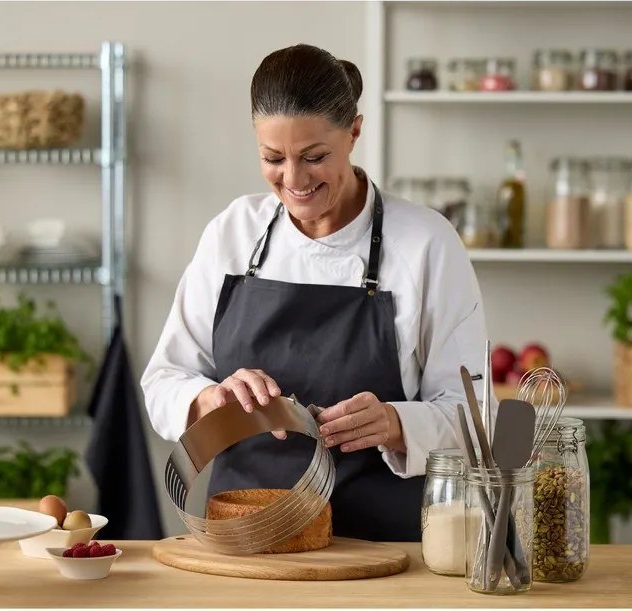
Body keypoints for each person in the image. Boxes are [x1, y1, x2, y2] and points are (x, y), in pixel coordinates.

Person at [141, 43, 493, 542]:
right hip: (246, 543)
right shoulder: (232, 233)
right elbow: (163, 380)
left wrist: (395, 422)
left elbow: (475, 415)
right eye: (272, 158)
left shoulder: (426, 243)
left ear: (354, 131)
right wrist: (209, 399)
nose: (293, 180)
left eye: (314, 157)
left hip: (382, 550)